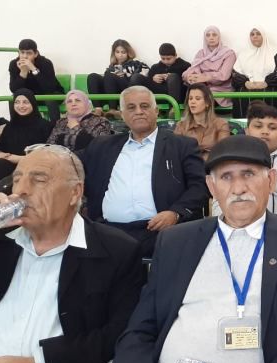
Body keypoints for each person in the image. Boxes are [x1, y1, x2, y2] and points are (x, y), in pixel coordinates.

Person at [105, 135, 277, 363]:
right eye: (226, 177)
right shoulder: (176, 242)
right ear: (211, 187)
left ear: (271, 180)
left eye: (249, 174)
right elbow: (142, 326)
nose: (238, 188)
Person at [0, 145, 144, 363]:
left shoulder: (116, 251)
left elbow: (118, 333)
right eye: (17, 179)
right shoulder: (1, 241)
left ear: (75, 192)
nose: (22, 190)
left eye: (39, 179)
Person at [79, 86, 208, 258]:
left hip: (161, 233)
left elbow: (199, 186)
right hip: (109, 232)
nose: (139, 112)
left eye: (145, 106)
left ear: (156, 111)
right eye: (131, 107)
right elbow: (69, 162)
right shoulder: (102, 146)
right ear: (122, 114)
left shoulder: (181, 145)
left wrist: (176, 213)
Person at [232, 27, 277, 118]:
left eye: (258, 34)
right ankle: (243, 126)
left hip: (270, 86)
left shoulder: (274, 52)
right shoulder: (243, 54)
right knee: (240, 95)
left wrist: (266, 82)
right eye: (252, 34)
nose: (255, 36)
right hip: (248, 87)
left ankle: (272, 124)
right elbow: (235, 74)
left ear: (264, 36)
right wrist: (246, 83)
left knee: (273, 95)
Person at [0, 89, 52, 181]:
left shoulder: (45, 126)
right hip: (8, 166)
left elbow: (46, 156)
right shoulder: (10, 126)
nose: (21, 106)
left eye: (25, 102)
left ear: (32, 104)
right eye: (17, 102)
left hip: (33, 167)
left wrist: (15, 158)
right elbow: (0, 147)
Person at [87, 39, 149, 118]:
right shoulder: (111, 67)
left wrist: (125, 75)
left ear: (128, 52)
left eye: (123, 52)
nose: (120, 55)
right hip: (110, 90)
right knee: (92, 76)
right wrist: (112, 76)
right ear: (114, 53)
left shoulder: (136, 63)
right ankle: (98, 109)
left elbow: (142, 77)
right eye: (117, 52)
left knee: (110, 76)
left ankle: (113, 109)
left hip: (127, 90)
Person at [8, 39, 64, 121]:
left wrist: (33, 69)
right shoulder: (14, 64)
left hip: (51, 94)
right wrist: (23, 72)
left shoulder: (45, 63)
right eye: (22, 52)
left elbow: (49, 89)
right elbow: (14, 90)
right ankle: (15, 125)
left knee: (49, 99)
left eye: (29, 53)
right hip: (30, 96)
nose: (25, 56)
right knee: (12, 98)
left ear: (36, 54)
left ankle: (55, 126)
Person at [182, 26, 237, 108]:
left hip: (221, 90)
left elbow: (224, 75)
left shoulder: (229, 54)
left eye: (214, 35)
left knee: (200, 99)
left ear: (219, 37)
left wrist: (205, 77)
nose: (211, 38)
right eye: (208, 35)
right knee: (194, 93)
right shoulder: (201, 53)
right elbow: (193, 69)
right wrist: (189, 77)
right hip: (202, 89)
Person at [173, 83, 231, 159]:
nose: (192, 102)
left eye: (197, 99)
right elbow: (175, 151)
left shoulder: (221, 124)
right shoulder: (181, 126)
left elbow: (223, 151)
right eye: (190, 98)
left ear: (207, 103)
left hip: (212, 163)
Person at [46, 90, 112, 151]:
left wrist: (75, 127)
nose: (73, 104)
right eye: (69, 101)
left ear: (86, 103)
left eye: (78, 100)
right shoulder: (61, 122)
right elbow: (50, 146)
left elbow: (99, 148)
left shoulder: (100, 121)